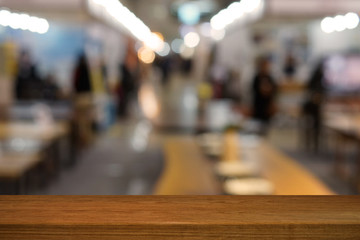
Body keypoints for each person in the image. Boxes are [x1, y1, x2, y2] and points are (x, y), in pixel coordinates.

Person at [302, 61, 325, 154]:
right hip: (312, 108)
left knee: (315, 125)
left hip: (315, 109)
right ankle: (313, 144)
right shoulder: (317, 80)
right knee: (313, 125)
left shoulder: (318, 79)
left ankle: (315, 144)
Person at [252, 57, 278, 134]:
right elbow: (257, 90)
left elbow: (274, 90)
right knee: (257, 126)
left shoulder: (270, 78)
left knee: (267, 128)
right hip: (258, 106)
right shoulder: (257, 77)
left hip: (267, 107)